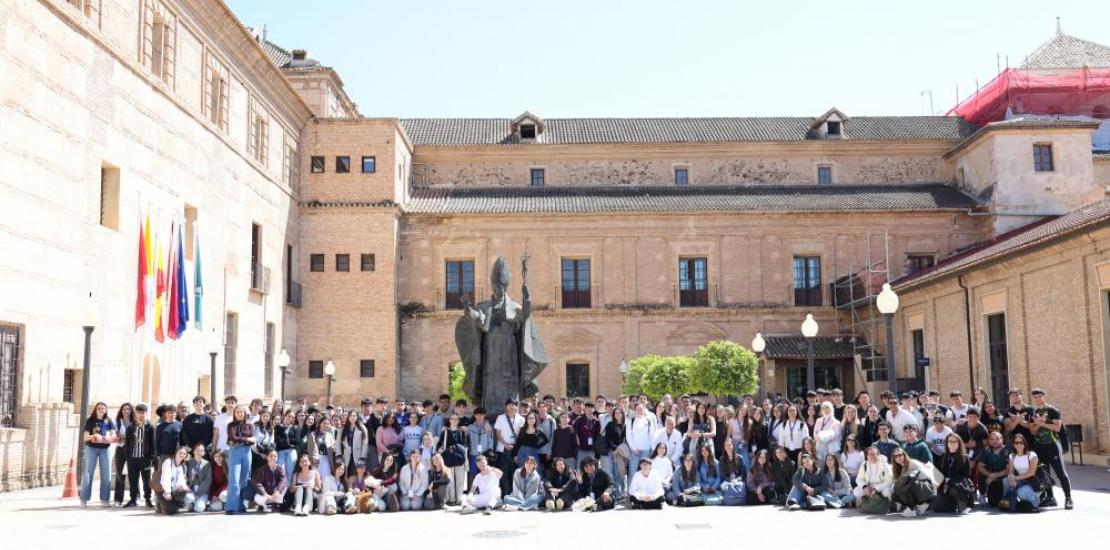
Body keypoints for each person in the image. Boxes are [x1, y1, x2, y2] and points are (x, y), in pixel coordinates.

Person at [1029, 388, 1072, 509]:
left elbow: (1057, 428)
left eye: (1039, 396)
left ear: (1044, 396)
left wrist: (1041, 422)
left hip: (1052, 445)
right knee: (1044, 473)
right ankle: (1050, 497)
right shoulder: (1033, 412)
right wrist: (1038, 423)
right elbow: (1032, 430)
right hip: (1039, 446)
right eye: (1035, 397)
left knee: (1060, 473)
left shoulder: (1052, 410)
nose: (1037, 399)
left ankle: (1068, 498)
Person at [80, 402, 118, 507]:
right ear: (95, 410)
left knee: (106, 473)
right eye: (99, 408)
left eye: (103, 408)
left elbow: (113, 434)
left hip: (105, 449)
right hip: (91, 449)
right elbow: (85, 437)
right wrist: (94, 436)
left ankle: (105, 499)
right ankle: (84, 499)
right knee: (88, 473)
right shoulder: (90, 420)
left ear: (105, 410)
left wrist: (110, 437)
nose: (101, 410)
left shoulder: (109, 420)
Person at [224, 404, 256, 515]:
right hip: (235, 451)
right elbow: (233, 438)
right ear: (235, 414)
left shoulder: (250, 425)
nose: (240, 414)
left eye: (242, 412)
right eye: (237, 412)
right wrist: (247, 439)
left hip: (247, 452)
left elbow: (253, 440)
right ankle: (231, 507)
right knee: (234, 479)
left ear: (245, 413)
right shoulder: (230, 425)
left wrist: (241, 440)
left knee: (244, 479)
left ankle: (241, 505)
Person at [121, 403, 155, 508]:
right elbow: (127, 444)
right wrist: (128, 458)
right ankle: (133, 499)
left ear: (146, 414)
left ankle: (148, 499)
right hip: (133, 458)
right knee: (133, 480)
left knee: (146, 481)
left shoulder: (150, 427)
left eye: (143, 413)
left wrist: (152, 458)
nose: (141, 415)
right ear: (135, 414)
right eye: (139, 413)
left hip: (145, 459)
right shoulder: (131, 427)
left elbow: (153, 443)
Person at [932, 434, 974, 514]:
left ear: (959, 443)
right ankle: (952, 504)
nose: (952, 443)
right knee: (938, 508)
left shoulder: (964, 457)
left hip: (958, 483)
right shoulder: (943, 456)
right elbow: (939, 473)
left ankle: (963, 505)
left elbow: (966, 475)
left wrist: (951, 480)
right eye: (950, 441)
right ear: (947, 443)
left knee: (955, 487)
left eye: (955, 441)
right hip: (945, 484)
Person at [890, 446, 935, 517]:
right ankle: (916, 506)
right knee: (895, 489)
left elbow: (925, 477)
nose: (898, 457)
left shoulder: (912, 463)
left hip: (926, 488)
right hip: (917, 487)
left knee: (907, 482)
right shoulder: (900, 468)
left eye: (900, 455)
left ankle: (913, 508)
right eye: (895, 456)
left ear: (904, 455)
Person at [1004, 433, 1041, 513]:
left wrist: (1015, 478)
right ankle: (1009, 502)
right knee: (1006, 480)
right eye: (1016, 443)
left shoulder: (1031, 455)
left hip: (1032, 481)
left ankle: (1035, 503)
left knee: (1021, 492)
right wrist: (1011, 478)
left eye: (1021, 442)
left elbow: (1031, 473)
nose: (1019, 444)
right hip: (1022, 480)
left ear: (1025, 444)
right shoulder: (1012, 456)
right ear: (1013, 444)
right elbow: (1010, 471)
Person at [438, 413, 469, 505]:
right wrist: (441, 450)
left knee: (460, 478)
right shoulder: (445, 432)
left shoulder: (462, 432)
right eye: (452, 418)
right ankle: (451, 499)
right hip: (448, 457)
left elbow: (466, 445)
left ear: (458, 421)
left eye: (456, 419)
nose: (454, 420)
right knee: (450, 479)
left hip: (460, 458)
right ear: (450, 420)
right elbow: (440, 444)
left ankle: (459, 498)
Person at [854, 445, 893, 514]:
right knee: (857, 491)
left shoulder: (884, 465)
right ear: (867, 456)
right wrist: (865, 487)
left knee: (887, 491)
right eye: (869, 454)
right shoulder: (864, 464)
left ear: (878, 454)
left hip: (881, 486)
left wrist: (876, 489)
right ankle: (865, 505)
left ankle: (889, 506)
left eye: (873, 454)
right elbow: (859, 479)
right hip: (869, 485)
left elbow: (889, 481)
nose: (871, 456)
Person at [157, 446, 196, 514]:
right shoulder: (168, 462)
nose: (182, 455)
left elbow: (182, 481)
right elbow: (165, 479)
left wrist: (185, 488)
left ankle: (174, 505)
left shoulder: (181, 466)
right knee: (170, 511)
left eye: (184, 454)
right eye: (180, 453)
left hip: (174, 491)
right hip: (163, 490)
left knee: (189, 496)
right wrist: (167, 493)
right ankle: (160, 503)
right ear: (176, 453)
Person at [600, 406, 628, 500]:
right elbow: (608, 439)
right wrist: (614, 449)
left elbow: (625, 440)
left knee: (618, 473)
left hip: (619, 453)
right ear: (614, 415)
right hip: (609, 452)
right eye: (616, 413)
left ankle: (618, 494)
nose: (618, 414)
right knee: (609, 473)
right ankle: (611, 494)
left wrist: (618, 450)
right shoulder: (610, 424)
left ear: (623, 415)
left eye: (620, 413)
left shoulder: (625, 425)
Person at [251, 447, 287, 513]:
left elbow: (283, 480)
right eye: (271, 456)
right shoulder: (262, 469)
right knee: (257, 498)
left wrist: (277, 491)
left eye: (275, 456)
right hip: (266, 495)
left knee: (284, 490)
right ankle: (263, 506)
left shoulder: (280, 468)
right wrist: (266, 494)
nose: (273, 458)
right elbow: (258, 483)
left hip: (275, 494)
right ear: (267, 457)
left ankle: (275, 505)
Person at [978, 431, 1010, 506]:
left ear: (1002, 439)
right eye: (992, 439)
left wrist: (995, 475)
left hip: (1003, 478)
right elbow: (980, 466)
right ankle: (982, 494)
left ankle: (1008, 496)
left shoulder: (1008, 450)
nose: (994, 441)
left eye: (997, 439)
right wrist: (990, 475)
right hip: (990, 478)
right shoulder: (986, 450)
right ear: (989, 441)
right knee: (993, 503)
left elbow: (1009, 469)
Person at [514, 411, 550, 478]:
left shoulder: (538, 430)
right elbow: (518, 442)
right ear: (527, 419)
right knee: (523, 471)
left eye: (533, 418)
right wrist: (515, 455)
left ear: (535, 420)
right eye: (529, 418)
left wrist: (537, 446)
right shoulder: (523, 429)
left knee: (536, 470)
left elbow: (546, 440)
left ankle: (538, 487)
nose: (531, 420)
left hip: (534, 452)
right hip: (522, 452)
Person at [111, 402, 133, 506]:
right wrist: (122, 438)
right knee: (119, 473)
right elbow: (116, 435)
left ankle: (135, 497)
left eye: (128, 409)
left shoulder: (134, 422)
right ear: (121, 411)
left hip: (131, 449)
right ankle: (118, 499)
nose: (126, 411)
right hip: (120, 449)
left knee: (133, 473)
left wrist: (125, 438)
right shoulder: (117, 422)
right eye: (124, 409)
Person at [628, 403, 659, 470]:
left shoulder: (648, 421)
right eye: (638, 409)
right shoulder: (631, 421)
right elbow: (628, 437)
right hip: (634, 451)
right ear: (635, 410)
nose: (639, 411)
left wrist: (653, 448)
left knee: (645, 470)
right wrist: (634, 448)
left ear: (644, 410)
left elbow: (651, 435)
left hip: (646, 450)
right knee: (633, 470)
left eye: (641, 409)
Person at [185, 443, 212, 512]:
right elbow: (185, 477)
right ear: (193, 451)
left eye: (201, 450)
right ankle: (192, 503)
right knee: (188, 498)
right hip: (191, 489)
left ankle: (197, 504)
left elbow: (207, 481)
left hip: (202, 491)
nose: (199, 452)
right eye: (197, 450)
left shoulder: (207, 464)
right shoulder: (188, 463)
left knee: (199, 508)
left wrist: (198, 494)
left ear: (204, 453)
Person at [274, 411, 299, 484]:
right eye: (289, 416)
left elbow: (296, 441)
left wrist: (287, 443)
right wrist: (289, 443)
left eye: (292, 417)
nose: (290, 418)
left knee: (290, 471)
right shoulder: (278, 427)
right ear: (284, 416)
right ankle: (282, 490)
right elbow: (278, 440)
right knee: (281, 470)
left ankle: (288, 491)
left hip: (291, 451)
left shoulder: (294, 428)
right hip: (280, 451)